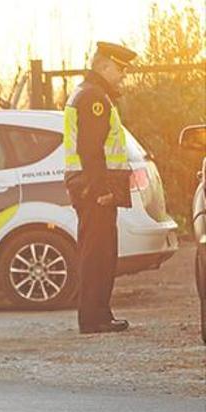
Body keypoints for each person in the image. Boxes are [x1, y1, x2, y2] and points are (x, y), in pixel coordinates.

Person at [63, 41, 137, 334]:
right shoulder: (94, 97)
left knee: (101, 252)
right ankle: (94, 319)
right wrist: (100, 189)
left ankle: (99, 315)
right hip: (94, 190)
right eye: (120, 69)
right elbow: (90, 149)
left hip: (91, 187)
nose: (123, 76)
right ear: (104, 66)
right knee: (97, 254)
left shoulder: (89, 93)